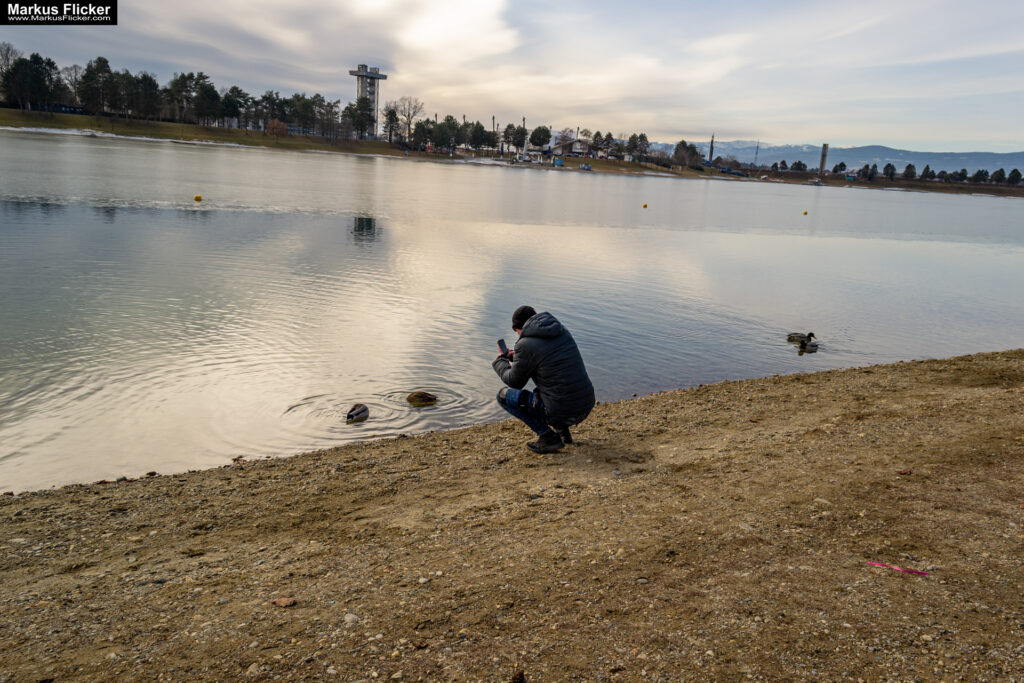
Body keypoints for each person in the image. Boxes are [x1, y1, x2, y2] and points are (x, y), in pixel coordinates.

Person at [493, 305, 595, 453]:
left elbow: (515, 382)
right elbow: (546, 356)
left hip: (564, 411)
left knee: (503, 396)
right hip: (586, 404)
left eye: (517, 332)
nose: (519, 336)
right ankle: (563, 433)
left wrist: (500, 361)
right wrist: (516, 356)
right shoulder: (561, 331)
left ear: (519, 328)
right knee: (551, 388)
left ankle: (548, 437)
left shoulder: (525, 344)